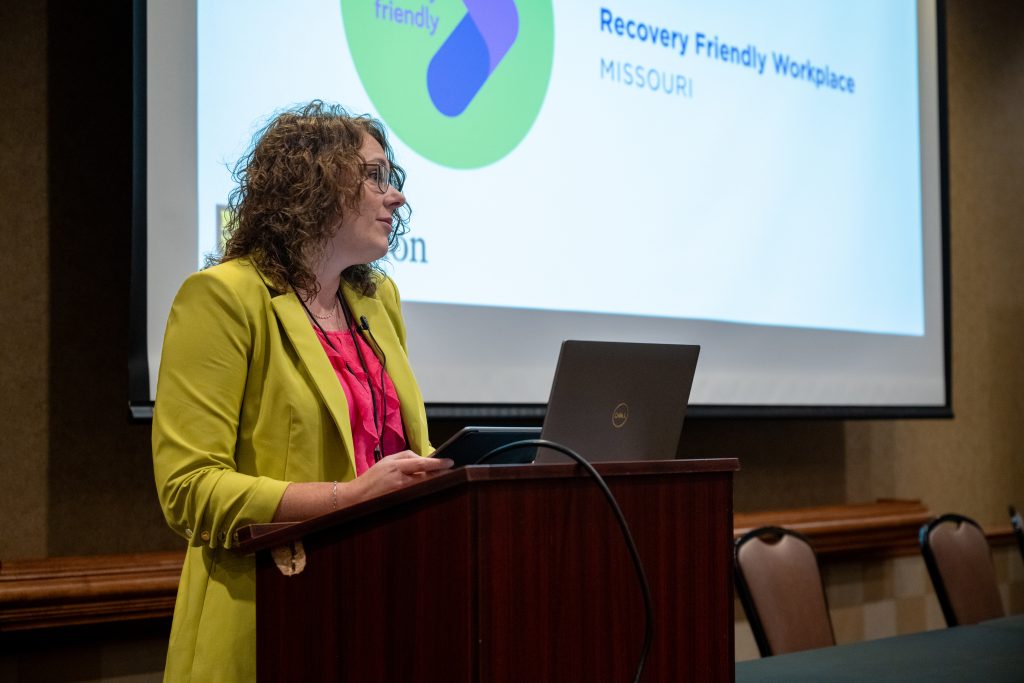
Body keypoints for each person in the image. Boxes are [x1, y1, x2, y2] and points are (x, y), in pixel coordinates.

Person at [152, 101, 452, 681]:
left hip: (383, 610)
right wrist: (349, 496)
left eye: (393, 179)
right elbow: (189, 489)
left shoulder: (377, 302)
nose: (397, 197)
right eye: (375, 176)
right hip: (272, 620)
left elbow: (398, 452)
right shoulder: (223, 299)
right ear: (313, 183)